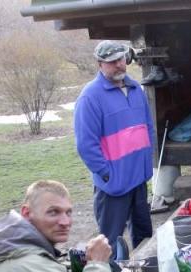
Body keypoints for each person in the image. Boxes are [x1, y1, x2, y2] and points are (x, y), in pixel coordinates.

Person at [74, 40, 154, 260]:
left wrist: (146, 162)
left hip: (138, 179)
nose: (118, 65)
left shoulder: (136, 89)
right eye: (111, 62)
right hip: (113, 186)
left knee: (145, 236)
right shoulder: (90, 97)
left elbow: (147, 127)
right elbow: (85, 144)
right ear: (100, 64)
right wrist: (107, 173)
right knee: (109, 244)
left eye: (120, 59)